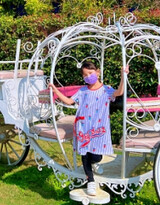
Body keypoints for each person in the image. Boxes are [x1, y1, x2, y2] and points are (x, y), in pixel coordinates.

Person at [49, 61, 127, 196]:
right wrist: (55, 90)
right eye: (85, 75)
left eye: (90, 73)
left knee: (97, 156)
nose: (88, 77)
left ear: (97, 72)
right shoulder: (82, 91)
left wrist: (123, 76)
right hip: (83, 128)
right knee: (85, 154)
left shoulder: (106, 89)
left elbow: (119, 92)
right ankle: (90, 180)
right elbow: (69, 101)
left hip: (98, 130)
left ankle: (94, 163)